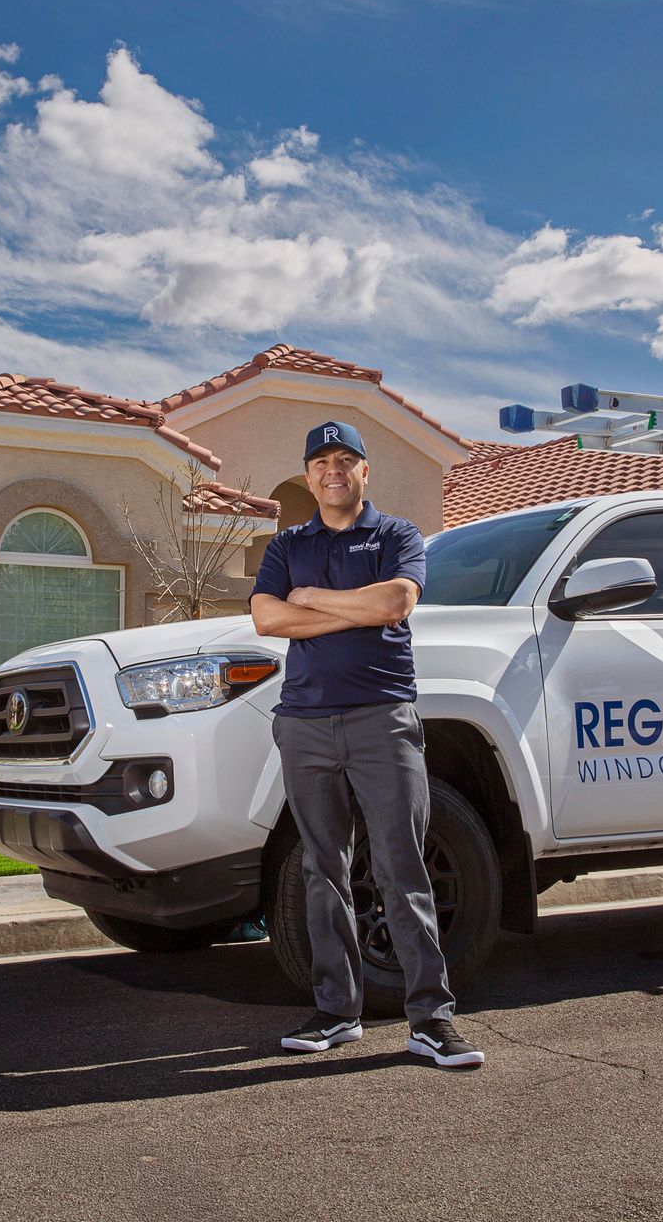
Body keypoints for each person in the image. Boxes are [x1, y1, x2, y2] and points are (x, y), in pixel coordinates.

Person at [249, 420, 485, 1069]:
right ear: (308, 475)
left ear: (363, 472)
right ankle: (336, 1011)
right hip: (304, 723)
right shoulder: (286, 544)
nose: (332, 470)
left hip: (383, 719)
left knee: (401, 865)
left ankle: (431, 1020)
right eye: (320, 461)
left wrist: (317, 601)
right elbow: (268, 616)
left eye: (344, 460)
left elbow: (396, 602)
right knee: (322, 869)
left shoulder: (396, 535)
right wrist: (353, 607)